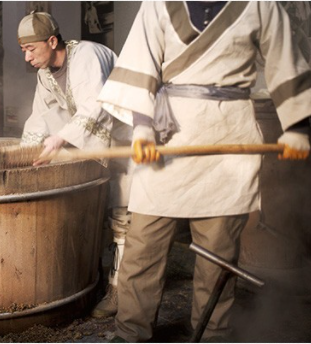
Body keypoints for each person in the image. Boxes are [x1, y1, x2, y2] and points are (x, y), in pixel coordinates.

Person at [97, 1, 311, 342]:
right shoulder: (158, 5)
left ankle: (213, 335)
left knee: (218, 257)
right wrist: (142, 127)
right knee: (142, 250)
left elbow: (285, 60)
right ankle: (130, 333)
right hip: (167, 138)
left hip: (229, 138)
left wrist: (298, 126)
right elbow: (141, 60)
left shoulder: (260, 5)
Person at [17, 11, 132, 318]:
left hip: (127, 136)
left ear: (52, 41)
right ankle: (93, 281)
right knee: (98, 208)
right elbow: (39, 115)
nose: (27, 58)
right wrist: (24, 156)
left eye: (31, 49)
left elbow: (96, 106)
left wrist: (61, 139)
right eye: (23, 51)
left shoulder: (87, 57)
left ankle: (119, 290)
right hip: (94, 141)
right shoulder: (45, 74)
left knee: (123, 213)